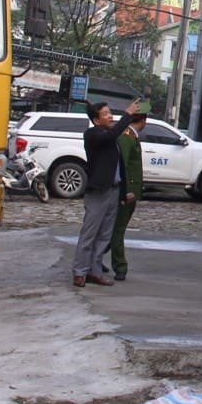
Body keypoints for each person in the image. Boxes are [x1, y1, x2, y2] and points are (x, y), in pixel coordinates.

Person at [72, 98, 139, 287]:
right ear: (96, 120)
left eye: (110, 113)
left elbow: (119, 168)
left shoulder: (112, 138)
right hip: (99, 191)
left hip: (114, 190)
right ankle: (80, 271)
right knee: (89, 233)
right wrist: (128, 115)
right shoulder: (93, 135)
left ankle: (95, 271)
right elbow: (110, 135)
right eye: (105, 114)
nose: (110, 116)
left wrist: (123, 193)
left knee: (104, 235)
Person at [105, 103, 148, 281]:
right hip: (126, 193)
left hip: (130, 192)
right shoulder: (127, 136)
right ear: (144, 121)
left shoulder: (131, 136)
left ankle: (95, 256)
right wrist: (126, 192)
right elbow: (122, 166)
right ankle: (120, 266)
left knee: (114, 229)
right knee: (118, 229)